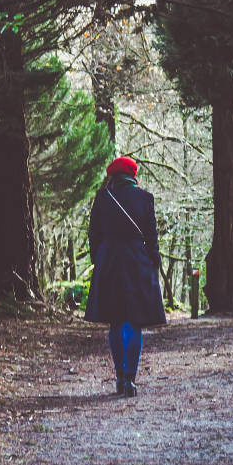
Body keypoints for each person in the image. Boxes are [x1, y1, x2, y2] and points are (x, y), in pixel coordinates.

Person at [84, 155, 166, 396]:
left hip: (109, 262)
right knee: (134, 322)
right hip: (137, 262)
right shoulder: (145, 198)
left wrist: (98, 259)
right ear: (133, 175)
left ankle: (120, 377)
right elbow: (152, 237)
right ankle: (130, 378)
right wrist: (153, 262)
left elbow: (94, 234)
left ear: (113, 176)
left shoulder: (102, 198)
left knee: (116, 321)